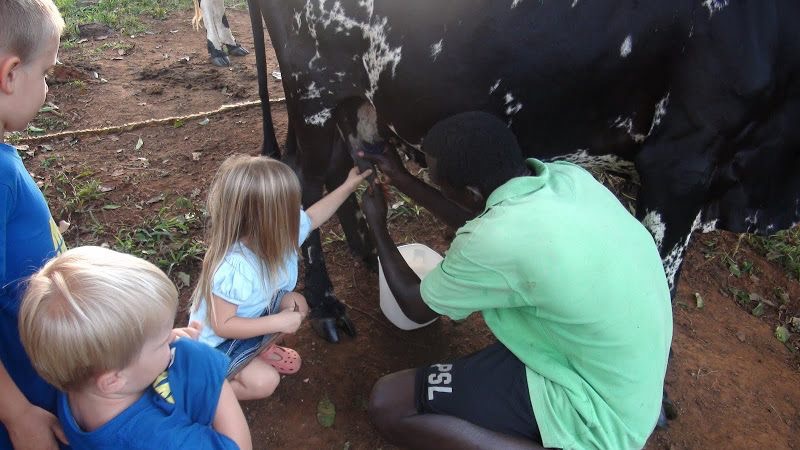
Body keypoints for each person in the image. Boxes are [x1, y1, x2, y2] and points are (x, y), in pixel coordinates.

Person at [358, 111, 673, 449]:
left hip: (595, 412)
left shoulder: (492, 239)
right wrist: (402, 179)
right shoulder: (568, 178)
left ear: (470, 192)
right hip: (628, 376)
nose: (437, 187)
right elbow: (483, 214)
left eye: (439, 184)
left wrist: (377, 226)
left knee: (388, 403)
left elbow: (414, 303)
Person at [18, 246, 252, 450]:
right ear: (113, 380)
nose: (174, 338)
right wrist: (211, 376)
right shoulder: (157, 441)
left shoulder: (81, 377)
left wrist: (156, 344)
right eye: (163, 342)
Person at [189, 155, 371, 400]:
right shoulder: (235, 267)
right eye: (289, 208)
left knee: (297, 303)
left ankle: (258, 350)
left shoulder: (279, 234)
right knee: (265, 382)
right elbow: (224, 325)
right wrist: (278, 323)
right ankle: (204, 395)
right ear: (265, 222)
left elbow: (315, 217)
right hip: (218, 346)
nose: (298, 212)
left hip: (251, 316)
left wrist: (349, 185)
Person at [1, 1, 68, 448]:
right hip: (26, 397)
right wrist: (18, 413)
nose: (46, 88)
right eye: (45, 73)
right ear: (9, 74)